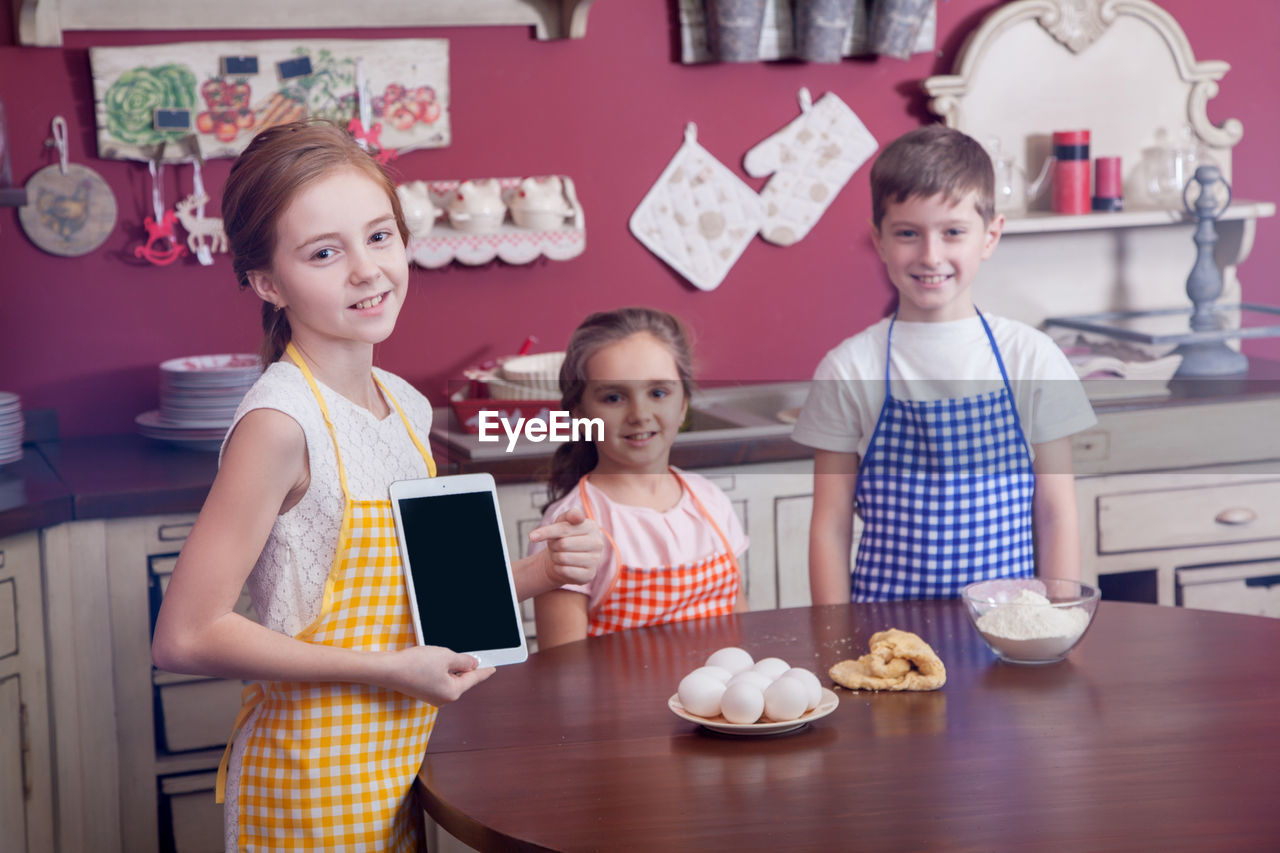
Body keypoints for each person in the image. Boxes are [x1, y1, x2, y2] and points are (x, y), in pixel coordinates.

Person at [149, 120, 602, 851]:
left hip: (400, 766)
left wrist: (539, 572)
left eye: (380, 236)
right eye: (325, 252)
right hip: (309, 782)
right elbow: (185, 634)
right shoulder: (281, 422)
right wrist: (390, 671)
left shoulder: (402, 403)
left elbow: (407, 595)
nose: (367, 269)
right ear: (268, 283)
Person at [793, 125, 1096, 604]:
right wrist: (835, 638)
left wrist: (1056, 623)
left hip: (1007, 633)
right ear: (879, 240)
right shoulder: (849, 368)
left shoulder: (1031, 357)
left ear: (990, 236)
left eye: (953, 232)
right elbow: (829, 525)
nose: (930, 255)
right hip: (883, 640)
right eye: (908, 234)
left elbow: (1055, 512)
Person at [531, 307, 749, 649]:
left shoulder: (711, 501)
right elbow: (564, 673)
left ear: (683, 405)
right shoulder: (574, 525)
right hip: (618, 705)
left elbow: (740, 628)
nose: (640, 414)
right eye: (614, 397)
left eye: (658, 393)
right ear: (580, 413)